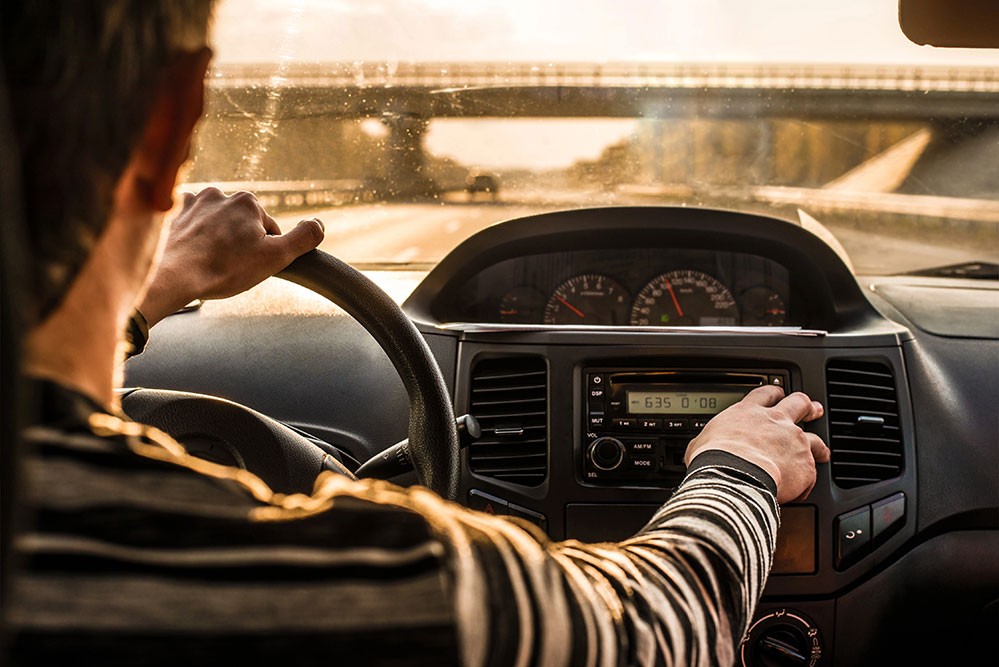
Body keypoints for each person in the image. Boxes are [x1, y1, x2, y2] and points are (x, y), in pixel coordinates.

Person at [1, 2, 830, 665]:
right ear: (175, 116)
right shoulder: (368, 590)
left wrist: (138, 296)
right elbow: (669, 626)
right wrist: (740, 465)